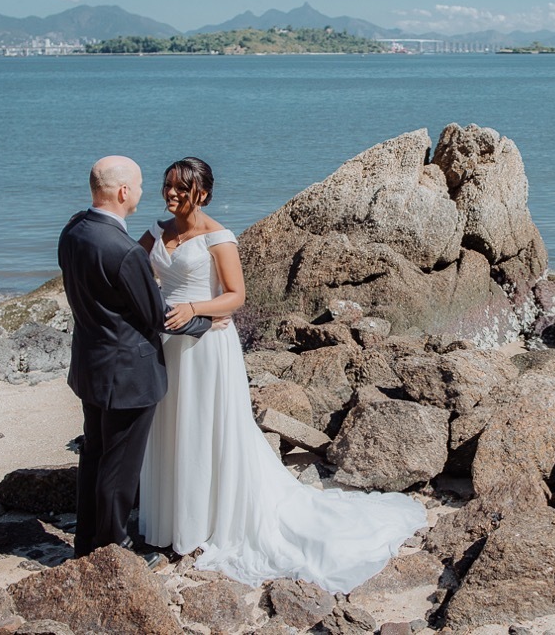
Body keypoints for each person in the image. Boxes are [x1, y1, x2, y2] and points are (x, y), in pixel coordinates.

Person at [137, 157, 427, 594]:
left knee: (204, 428)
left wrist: (195, 308)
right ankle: (174, 517)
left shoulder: (218, 237)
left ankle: (207, 521)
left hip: (207, 347)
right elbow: (133, 278)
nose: (172, 194)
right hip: (167, 346)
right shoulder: (155, 235)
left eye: (181, 188)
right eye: (168, 186)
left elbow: (235, 296)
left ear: (203, 193)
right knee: (170, 427)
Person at [58, 155, 213, 561]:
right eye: (142, 186)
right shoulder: (124, 251)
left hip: (90, 365)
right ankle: (112, 546)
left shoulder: (74, 230)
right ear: (124, 192)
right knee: (120, 467)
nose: (147, 193)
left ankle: (85, 541)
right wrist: (205, 323)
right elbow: (156, 316)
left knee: (93, 454)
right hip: (128, 374)